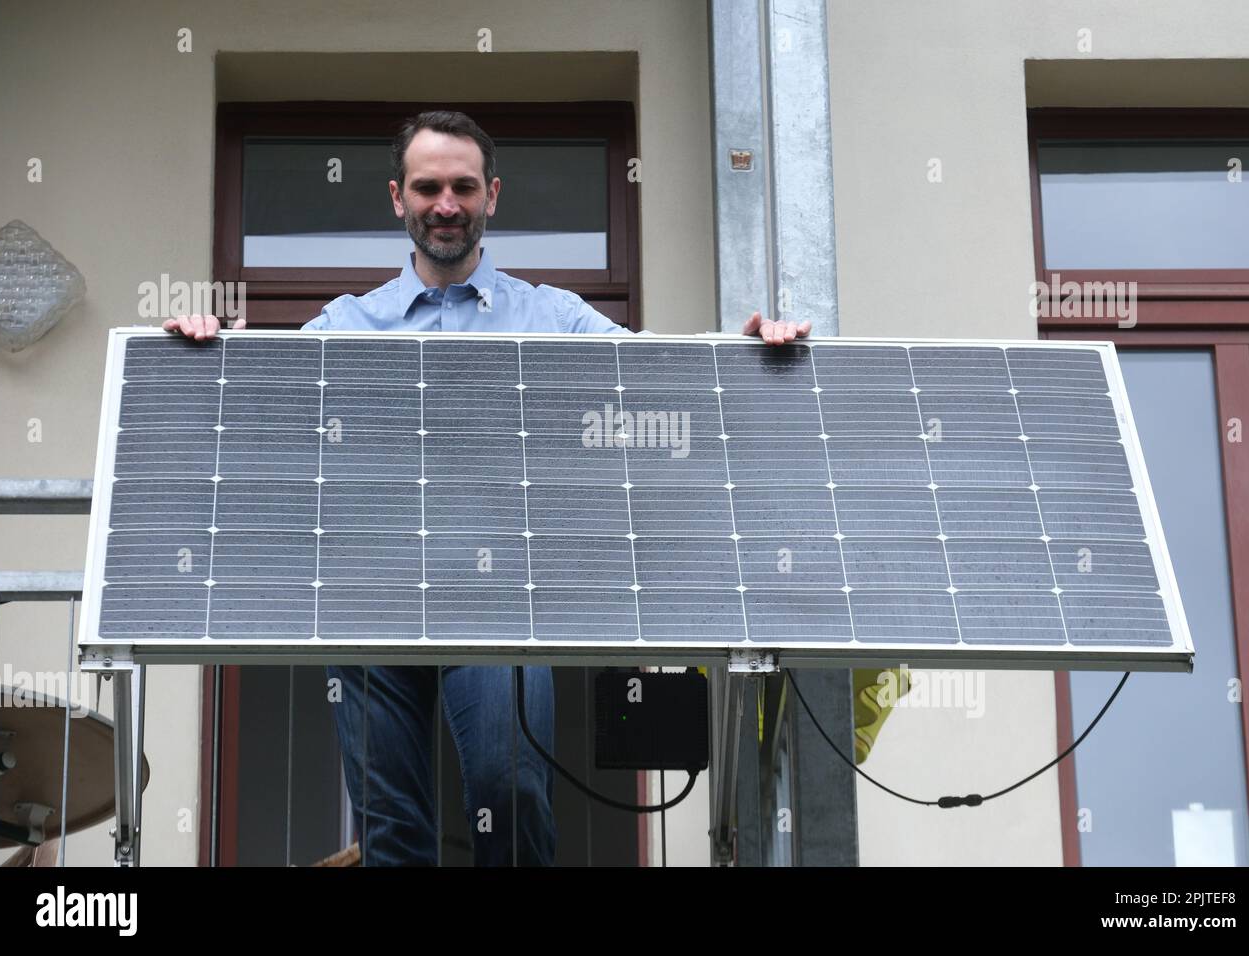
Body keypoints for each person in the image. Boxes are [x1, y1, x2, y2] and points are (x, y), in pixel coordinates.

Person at [166, 109, 811, 866]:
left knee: (509, 794)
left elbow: (656, 384)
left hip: (501, 596)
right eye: (428, 186)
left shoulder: (555, 316)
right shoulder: (345, 325)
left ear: (492, 195)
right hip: (372, 603)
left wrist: (741, 350)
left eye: (463, 186)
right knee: (393, 836)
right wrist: (204, 357)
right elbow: (266, 420)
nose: (447, 203)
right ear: (397, 199)